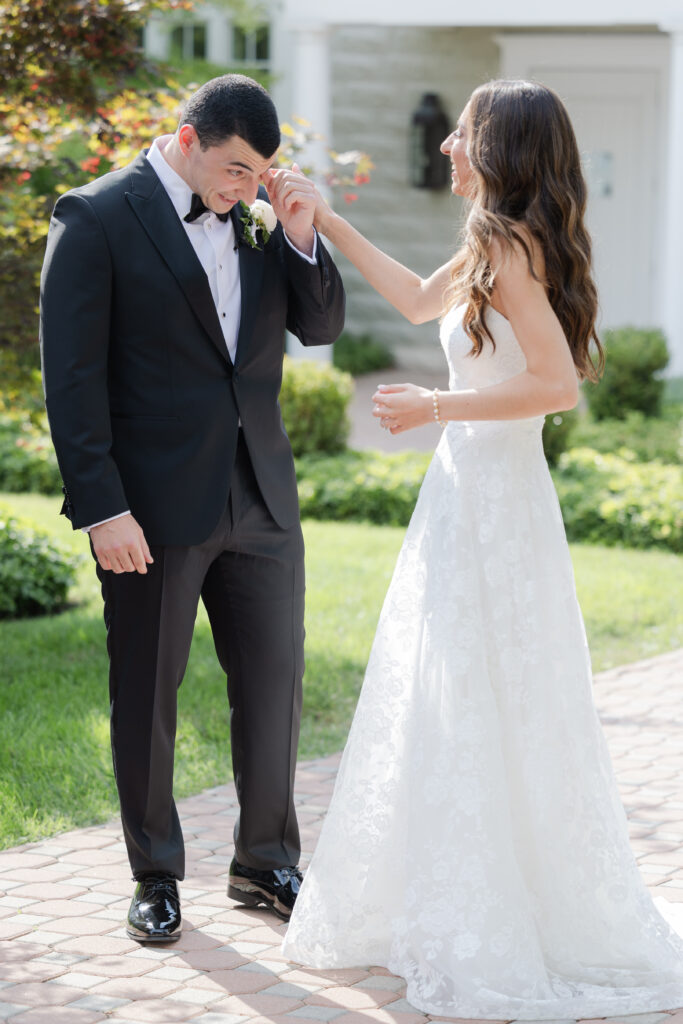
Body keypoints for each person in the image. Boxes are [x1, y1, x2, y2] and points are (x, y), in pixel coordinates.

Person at [282, 79, 683, 1018]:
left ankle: (497, 915)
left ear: (496, 148)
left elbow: (553, 385)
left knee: (479, 692)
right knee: (471, 696)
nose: (445, 150)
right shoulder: (488, 242)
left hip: (495, 499)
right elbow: (417, 302)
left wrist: (434, 407)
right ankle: (472, 899)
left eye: (460, 137)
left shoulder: (507, 244)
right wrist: (329, 223)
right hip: (475, 498)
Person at [40, 74, 345, 943]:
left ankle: (263, 862)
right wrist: (103, 508)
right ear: (186, 138)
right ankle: (155, 872)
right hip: (153, 508)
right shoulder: (94, 216)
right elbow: (71, 381)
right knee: (148, 693)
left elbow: (318, 327)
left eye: (259, 174)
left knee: (274, 688)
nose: (246, 187)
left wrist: (298, 234)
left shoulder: (256, 217)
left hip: (261, 497)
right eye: (237, 170)